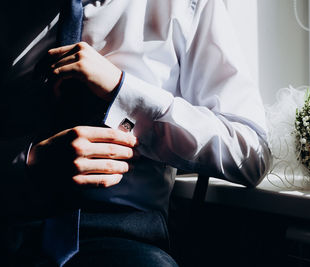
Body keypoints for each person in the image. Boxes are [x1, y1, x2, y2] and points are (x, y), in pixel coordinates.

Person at [1, 0, 271, 266]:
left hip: (125, 238)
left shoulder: (189, 5)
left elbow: (250, 153)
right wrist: (28, 160)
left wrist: (123, 92)